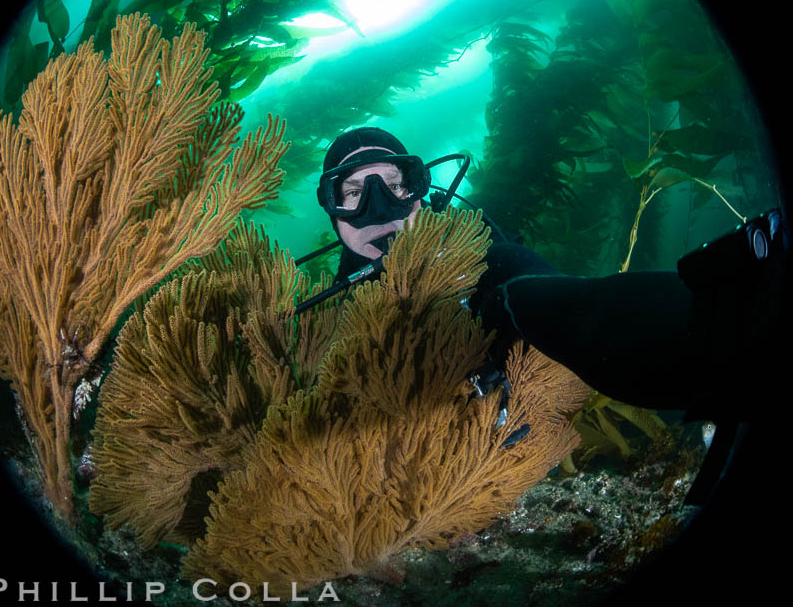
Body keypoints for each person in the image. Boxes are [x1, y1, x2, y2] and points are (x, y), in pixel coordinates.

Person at [314, 127, 789, 433]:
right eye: (353, 193)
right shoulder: (318, 321)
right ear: (333, 216)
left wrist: (724, 327)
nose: (379, 209)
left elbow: (572, 306)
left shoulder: (484, 262)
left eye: (395, 186)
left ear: (419, 194)